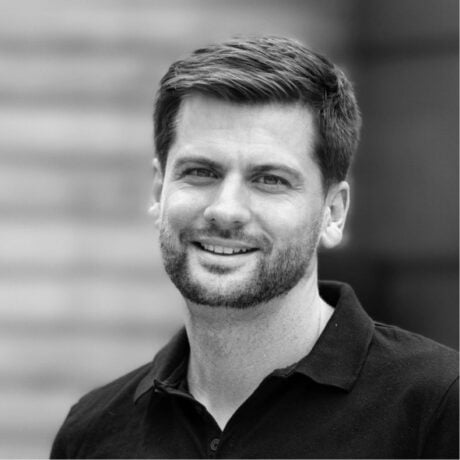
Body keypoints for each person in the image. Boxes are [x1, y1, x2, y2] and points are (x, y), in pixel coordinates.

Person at [50, 36, 458, 459]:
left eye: (270, 180)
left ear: (333, 213)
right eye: (200, 171)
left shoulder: (439, 409)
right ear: (159, 190)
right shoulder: (91, 433)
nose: (225, 210)